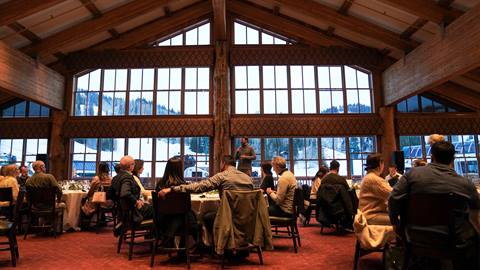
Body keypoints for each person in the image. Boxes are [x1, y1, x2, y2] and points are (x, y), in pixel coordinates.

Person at [389, 141, 480, 269]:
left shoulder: (411, 175)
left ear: (432, 156)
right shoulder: (466, 184)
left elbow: (393, 198)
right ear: (453, 159)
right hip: (452, 241)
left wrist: (395, 223)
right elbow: (475, 219)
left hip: (414, 236)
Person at [158, 155, 253, 236]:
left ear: (223, 164)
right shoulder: (248, 179)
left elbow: (200, 187)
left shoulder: (222, 176)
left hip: (227, 217)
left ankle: (218, 245)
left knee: (207, 217)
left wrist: (173, 189)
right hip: (247, 218)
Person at [154, 157, 197, 244]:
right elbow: (187, 207)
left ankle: (169, 239)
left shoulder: (160, 184)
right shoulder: (183, 186)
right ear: (180, 169)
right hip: (182, 221)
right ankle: (194, 244)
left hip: (163, 220)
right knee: (192, 215)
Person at [114, 156, 153, 223]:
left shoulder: (115, 178)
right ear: (131, 166)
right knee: (159, 209)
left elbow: (109, 194)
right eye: (133, 164)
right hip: (133, 213)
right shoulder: (128, 178)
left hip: (122, 213)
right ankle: (157, 233)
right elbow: (125, 193)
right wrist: (136, 202)